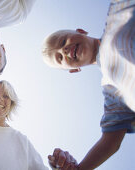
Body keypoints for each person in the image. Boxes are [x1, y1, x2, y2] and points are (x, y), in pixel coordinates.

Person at [41, 0, 135, 169]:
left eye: (63, 42)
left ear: (81, 31)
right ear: (74, 70)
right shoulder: (111, 90)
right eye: (60, 58)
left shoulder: (117, 15)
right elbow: (111, 140)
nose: (65, 51)